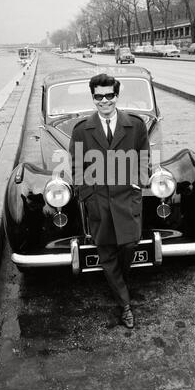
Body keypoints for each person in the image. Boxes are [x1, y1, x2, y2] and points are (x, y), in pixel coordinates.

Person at [69, 73, 150, 329]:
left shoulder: (135, 125)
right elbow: (76, 165)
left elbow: (144, 158)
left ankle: (119, 284)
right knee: (107, 254)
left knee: (128, 246)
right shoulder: (82, 130)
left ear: (117, 96)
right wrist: (87, 195)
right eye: (98, 96)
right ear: (93, 98)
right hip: (99, 203)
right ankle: (125, 305)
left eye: (109, 96)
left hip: (127, 198)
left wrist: (140, 183)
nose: (104, 101)